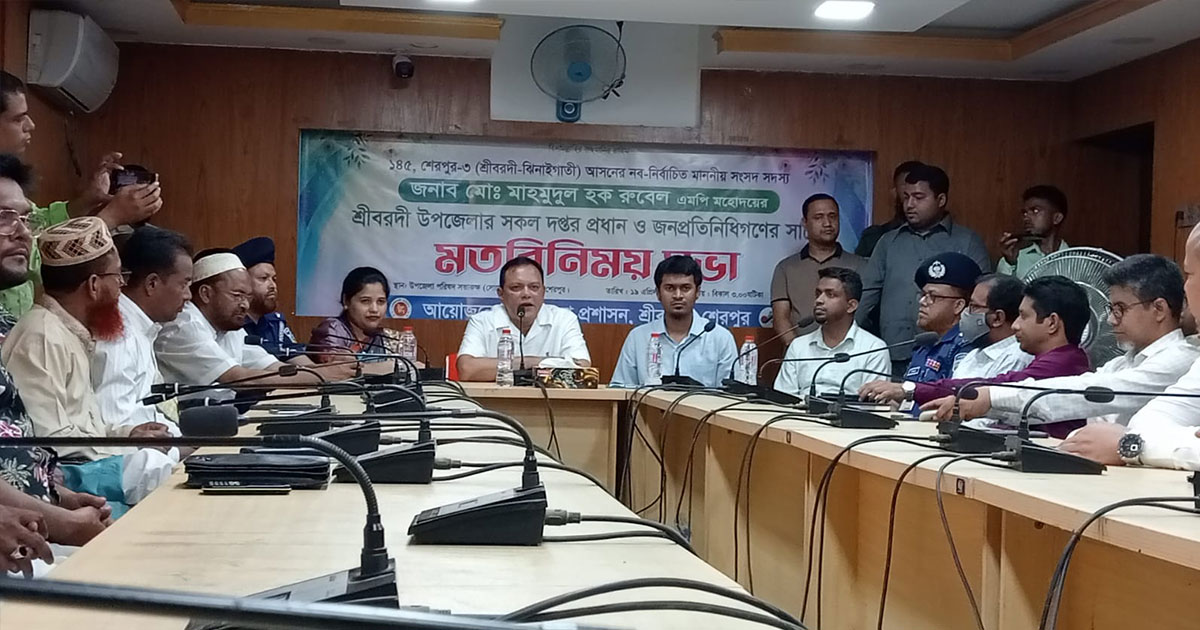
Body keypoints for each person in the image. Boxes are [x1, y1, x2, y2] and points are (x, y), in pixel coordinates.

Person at [1, 216, 177, 511]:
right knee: (151, 467)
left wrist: (128, 435)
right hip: (63, 476)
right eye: (117, 276)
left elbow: (80, 425)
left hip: (87, 463)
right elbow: (49, 439)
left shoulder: (67, 330)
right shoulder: (42, 335)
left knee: (161, 460)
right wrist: (125, 447)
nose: (121, 286)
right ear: (94, 285)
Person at [936, 254, 1197, 430]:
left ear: (1159, 309)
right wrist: (986, 405)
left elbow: (1088, 393)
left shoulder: (1180, 359)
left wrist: (992, 397)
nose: (1110, 320)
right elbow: (1061, 400)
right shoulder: (1121, 363)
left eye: (1120, 309)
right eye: (1110, 308)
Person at [0, 156, 111, 556]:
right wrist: (64, 522)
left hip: (35, 522)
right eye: (4, 218)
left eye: (26, 219)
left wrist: (60, 496)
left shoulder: (3, 322)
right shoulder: (38, 332)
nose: (22, 232)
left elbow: (14, 450)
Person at [0, 70, 162, 318]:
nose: (31, 125)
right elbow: (42, 256)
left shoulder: (11, 186)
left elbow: (39, 228)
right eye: (18, 118)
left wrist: (86, 200)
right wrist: (111, 218)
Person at [1055, 228, 1200, 468]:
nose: (1185, 289)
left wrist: (1134, 445)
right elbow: (1144, 424)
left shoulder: (1183, 356)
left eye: (1190, 274)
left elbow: (1128, 438)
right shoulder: (1122, 362)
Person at [916, 276, 1093, 436]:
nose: (1015, 325)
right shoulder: (1059, 359)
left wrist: (914, 390)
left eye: (1023, 317)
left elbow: (1000, 386)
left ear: (1052, 323)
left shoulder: (1062, 364)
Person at [855, 164, 991, 372]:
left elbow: (983, 300)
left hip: (950, 355)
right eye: (906, 197)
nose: (909, 204)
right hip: (894, 353)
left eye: (918, 197)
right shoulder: (888, 242)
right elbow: (867, 295)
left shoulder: (967, 241)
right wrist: (849, 338)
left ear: (941, 200)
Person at [156, 249, 354, 385]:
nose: (245, 305)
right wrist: (321, 376)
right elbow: (240, 378)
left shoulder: (229, 326)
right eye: (237, 296)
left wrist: (330, 370)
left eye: (247, 297)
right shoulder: (184, 326)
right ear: (206, 294)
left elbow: (274, 367)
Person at [91, 226, 193, 436]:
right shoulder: (120, 336)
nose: (188, 295)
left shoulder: (140, 328)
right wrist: (179, 448)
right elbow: (117, 430)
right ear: (152, 284)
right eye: (183, 285)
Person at [859, 252, 981, 407]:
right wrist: (886, 400)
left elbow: (957, 397)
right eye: (923, 294)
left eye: (933, 296)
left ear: (958, 306)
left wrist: (903, 391)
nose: (923, 301)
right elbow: (910, 405)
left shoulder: (965, 347)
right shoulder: (925, 345)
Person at [457, 256, 591, 382]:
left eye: (534, 287)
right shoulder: (482, 321)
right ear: (501, 294)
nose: (526, 294)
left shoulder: (563, 319)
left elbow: (582, 368)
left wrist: (514, 365)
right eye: (516, 288)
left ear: (543, 292)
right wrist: (532, 362)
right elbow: (466, 369)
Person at [610, 255, 737, 388]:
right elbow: (620, 389)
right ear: (658, 293)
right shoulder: (638, 337)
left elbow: (732, 393)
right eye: (670, 288)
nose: (678, 296)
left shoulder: (720, 338)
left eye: (685, 288)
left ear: (697, 292)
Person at [773, 267, 889, 396]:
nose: (819, 300)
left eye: (830, 295)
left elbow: (872, 403)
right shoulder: (799, 346)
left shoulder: (874, 348)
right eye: (818, 294)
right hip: (800, 409)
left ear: (851, 306)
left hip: (849, 409)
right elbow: (783, 398)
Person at [770, 194, 863, 345]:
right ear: (805, 223)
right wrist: (799, 351)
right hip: (800, 354)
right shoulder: (786, 268)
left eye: (832, 216)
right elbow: (781, 319)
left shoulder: (860, 265)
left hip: (847, 352)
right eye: (819, 217)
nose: (827, 223)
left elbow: (863, 314)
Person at [232, 236, 304, 360]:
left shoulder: (274, 322)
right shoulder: (233, 324)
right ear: (243, 283)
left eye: (274, 279)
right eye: (264, 278)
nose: (272, 285)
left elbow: (296, 356)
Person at [309, 266, 402, 362]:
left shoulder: (388, 338)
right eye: (365, 301)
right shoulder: (333, 330)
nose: (374, 309)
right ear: (346, 301)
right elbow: (335, 366)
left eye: (381, 301)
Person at [949, 274, 1032, 380]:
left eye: (974, 307)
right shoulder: (973, 355)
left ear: (997, 318)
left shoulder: (1016, 357)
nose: (965, 312)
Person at [997, 185, 1070, 278]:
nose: (1026, 218)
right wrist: (1011, 264)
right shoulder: (1013, 259)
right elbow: (1001, 287)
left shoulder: (1078, 262)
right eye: (1025, 213)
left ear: (1057, 218)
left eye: (1035, 211)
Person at [855, 160, 923, 258]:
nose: (911, 201)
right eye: (906, 190)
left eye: (918, 194)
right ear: (894, 192)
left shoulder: (944, 237)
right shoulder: (875, 237)